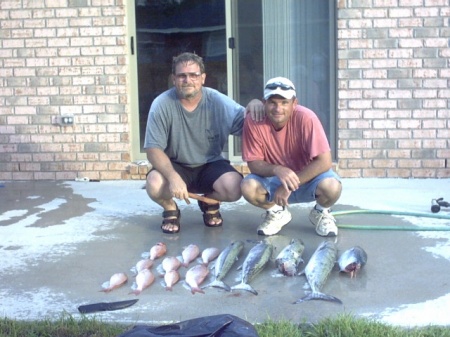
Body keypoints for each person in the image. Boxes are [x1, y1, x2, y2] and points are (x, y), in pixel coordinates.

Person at [144, 52, 262, 234]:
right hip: (176, 164)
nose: (187, 80)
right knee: (154, 183)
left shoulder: (219, 102)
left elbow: (250, 127)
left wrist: (256, 104)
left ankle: (209, 201)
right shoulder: (161, 104)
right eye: (182, 75)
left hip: (210, 164)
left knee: (234, 188)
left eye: (193, 75)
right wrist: (173, 177)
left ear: (203, 78)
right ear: (173, 79)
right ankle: (170, 208)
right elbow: (153, 149)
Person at [241, 76, 342, 237]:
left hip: (307, 178)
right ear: (264, 102)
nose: (278, 108)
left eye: (284, 102)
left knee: (332, 187)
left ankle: (321, 212)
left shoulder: (307, 118)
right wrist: (278, 169)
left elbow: (325, 161)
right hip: (273, 180)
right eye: (273, 102)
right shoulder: (253, 120)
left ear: (295, 103)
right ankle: (276, 212)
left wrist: (289, 185)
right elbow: (254, 164)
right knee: (248, 186)